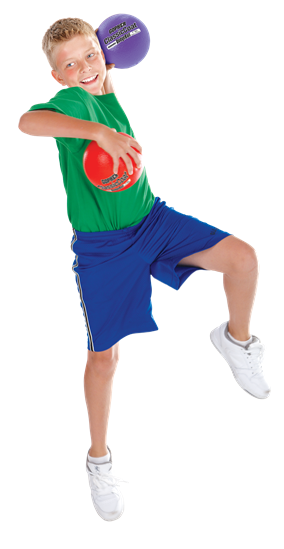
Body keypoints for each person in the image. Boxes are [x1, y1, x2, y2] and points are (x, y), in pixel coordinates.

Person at [18, 17, 270, 522]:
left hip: (153, 220)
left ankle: (235, 339)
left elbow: (106, 59)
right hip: (105, 249)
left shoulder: (102, 80)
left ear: (102, 56)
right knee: (104, 360)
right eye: (69, 64)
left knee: (242, 259)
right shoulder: (73, 103)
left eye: (90, 55)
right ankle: (98, 460)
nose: (83, 67)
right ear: (57, 78)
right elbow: (28, 122)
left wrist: (109, 52)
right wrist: (95, 133)